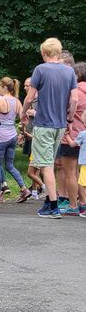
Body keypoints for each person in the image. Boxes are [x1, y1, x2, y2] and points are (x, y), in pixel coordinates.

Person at [21, 38, 78, 218]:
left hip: (44, 123)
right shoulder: (69, 72)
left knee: (45, 165)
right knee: (49, 162)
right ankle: (49, 202)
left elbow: (30, 98)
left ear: (44, 53)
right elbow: (74, 99)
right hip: (60, 125)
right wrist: (69, 117)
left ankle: (53, 206)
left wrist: (23, 112)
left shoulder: (41, 69)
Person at [0, 77, 30, 203]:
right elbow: (24, 119)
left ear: (5, 87)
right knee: (10, 165)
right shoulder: (17, 101)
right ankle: (24, 188)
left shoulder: (0, 102)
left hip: (1, 136)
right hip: (12, 134)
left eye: (0, 87)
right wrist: (23, 132)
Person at [57, 62, 86, 215]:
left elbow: (65, 110)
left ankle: (73, 205)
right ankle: (83, 203)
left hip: (72, 135)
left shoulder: (74, 93)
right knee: (83, 172)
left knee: (71, 172)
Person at [64, 110, 86, 217]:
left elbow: (72, 144)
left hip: (84, 165)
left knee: (81, 183)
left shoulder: (82, 134)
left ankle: (80, 206)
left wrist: (66, 135)